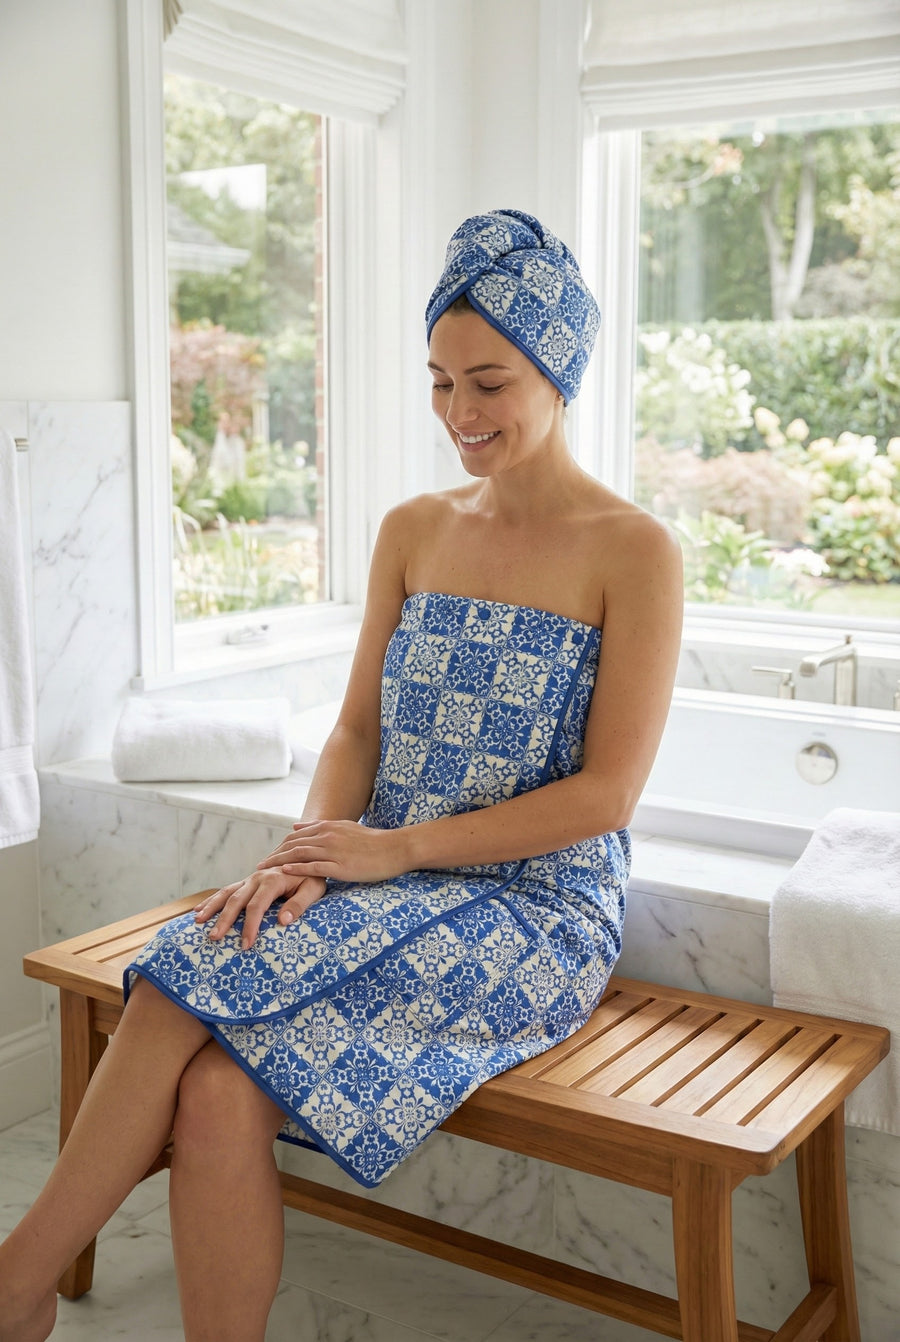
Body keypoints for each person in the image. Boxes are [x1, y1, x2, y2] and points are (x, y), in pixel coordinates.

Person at [0, 208, 682, 1342]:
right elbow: (357, 731)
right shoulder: (414, 528)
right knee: (216, 1089)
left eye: (490, 382)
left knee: (179, 978)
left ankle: (13, 1286)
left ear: (559, 371)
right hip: (383, 872)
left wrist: (391, 849)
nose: (459, 413)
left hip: (537, 907)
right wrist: (310, 853)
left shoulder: (635, 549)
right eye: (440, 382)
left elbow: (607, 797)